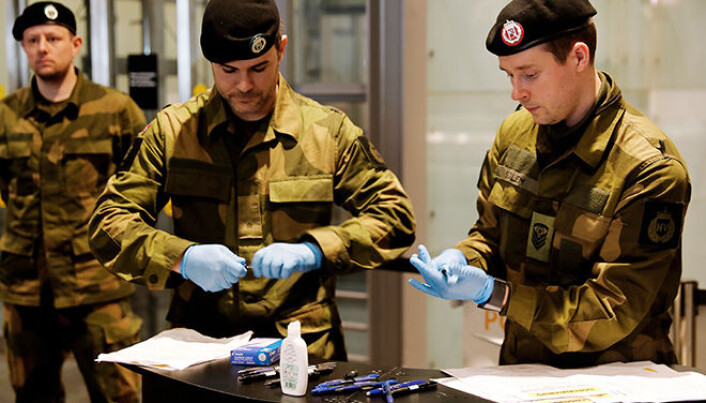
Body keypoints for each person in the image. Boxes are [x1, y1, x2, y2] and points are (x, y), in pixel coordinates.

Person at [88, 0, 415, 361]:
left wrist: (316, 249)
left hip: (302, 349)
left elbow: (395, 216)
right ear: (210, 62)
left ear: (282, 49)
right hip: (201, 348)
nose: (244, 85)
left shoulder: (327, 132)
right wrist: (182, 257)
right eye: (228, 70)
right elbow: (108, 224)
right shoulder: (173, 132)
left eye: (259, 68)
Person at [409, 0, 690, 368]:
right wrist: (464, 258)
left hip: (613, 380)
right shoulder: (515, 134)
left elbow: (610, 311)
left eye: (529, 74)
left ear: (578, 58)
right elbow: (490, 234)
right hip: (520, 372)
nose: (516, 92)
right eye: (508, 75)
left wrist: (497, 295)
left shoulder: (648, 168)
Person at [0, 2, 146, 402]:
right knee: (33, 395)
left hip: (96, 285)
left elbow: (144, 189)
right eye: (32, 41)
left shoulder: (115, 110)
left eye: (53, 38)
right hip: (27, 289)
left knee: (119, 396)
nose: (42, 48)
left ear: (75, 43)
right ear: (24, 48)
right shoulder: (5, 115)